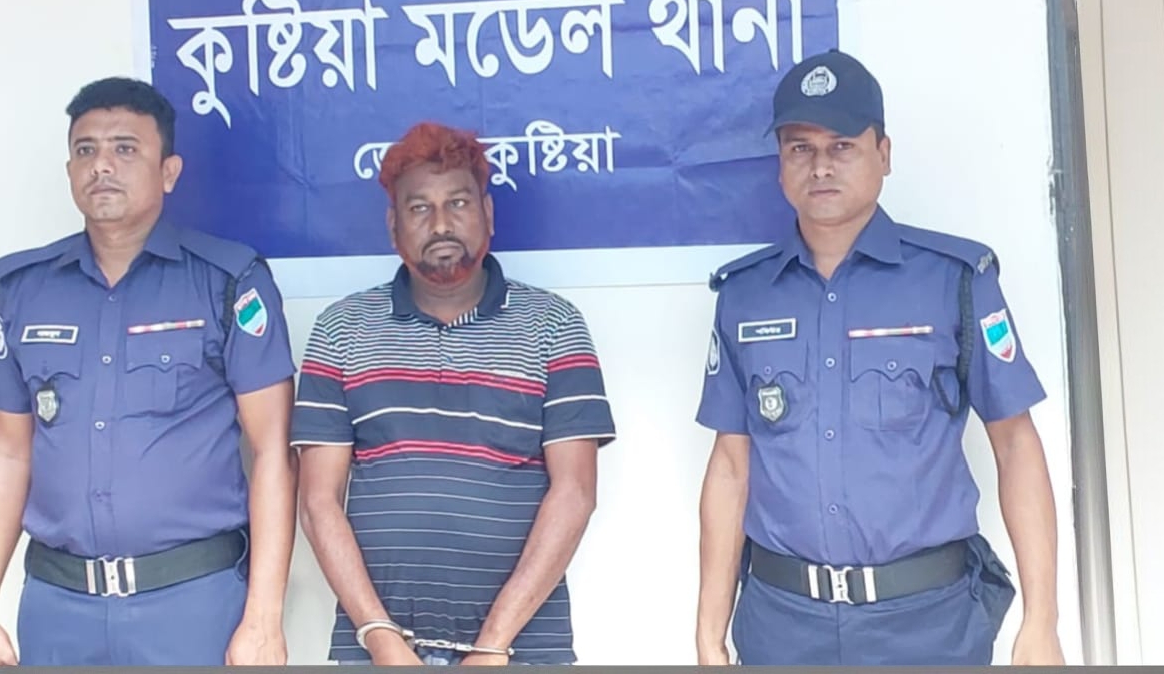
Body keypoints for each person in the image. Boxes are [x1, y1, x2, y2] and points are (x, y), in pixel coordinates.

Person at [693, 50, 1066, 666]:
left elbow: (1015, 445)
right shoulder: (744, 294)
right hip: (783, 625)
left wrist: (1042, 620)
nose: (820, 166)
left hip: (926, 623)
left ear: (883, 154)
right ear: (781, 164)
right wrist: (710, 629)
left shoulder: (954, 280)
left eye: (841, 146)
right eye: (800, 148)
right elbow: (731, 467)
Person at [0, 77, 299, 666]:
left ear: (168, 172)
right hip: (58, 607)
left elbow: (273, 451)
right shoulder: (25, 291)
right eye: (86, 150)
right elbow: (9, 453)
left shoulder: (227, 282)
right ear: (70, 170)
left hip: (191, 603)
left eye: (125, 148)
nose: (102, 166)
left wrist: (264, 619)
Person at [290, 121, 616, 666]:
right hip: (376, 649)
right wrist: (379, 635)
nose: (440, 223)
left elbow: (575, 493)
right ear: (393, 226)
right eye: (419, 207)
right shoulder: (340, 330)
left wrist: (493, 644)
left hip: (521, 646)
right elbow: (318, 502)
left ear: (488, 213)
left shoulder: (554, 326)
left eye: (458, 203)